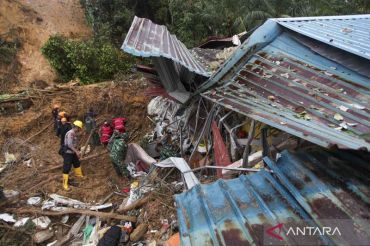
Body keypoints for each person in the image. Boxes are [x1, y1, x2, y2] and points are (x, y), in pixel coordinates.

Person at [62, 120, 85, 191]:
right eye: (80, 128)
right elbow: (69, 144)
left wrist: (77, 150)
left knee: (76, 163)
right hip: (68, 153)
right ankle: (65, 184)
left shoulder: (74, 133)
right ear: (77, 127)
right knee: (67, 168)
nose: (80, 130)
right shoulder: (70, 133)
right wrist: (77, 152)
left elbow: (75, 142)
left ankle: (79, 175)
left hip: (72, 152)